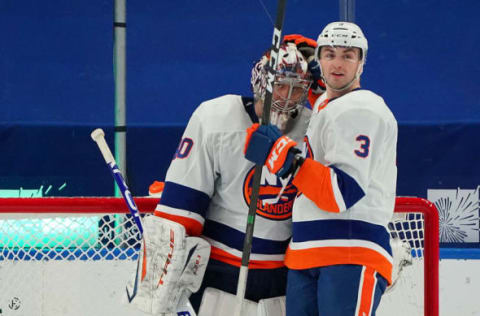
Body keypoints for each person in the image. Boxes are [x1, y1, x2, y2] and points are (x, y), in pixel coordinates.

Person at [126, 40, 322, 315]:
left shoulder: (314, 126)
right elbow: (180, 211)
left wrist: (329, 99)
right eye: (280, 86)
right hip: (218, 278)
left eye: (297, 89)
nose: (287, 97)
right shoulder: (216, 117)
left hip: (282, 281)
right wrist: (165, 287)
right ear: (260, 83)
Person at [244, 22, 398, 316]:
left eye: (348, 56)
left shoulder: (363, 108)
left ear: (362, 62)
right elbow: (326, 114)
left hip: (350, 251)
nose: (337, 64)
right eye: (329, 55)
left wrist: (283, 156)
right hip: (306, 254)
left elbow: (341, 193)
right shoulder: (327, 106)